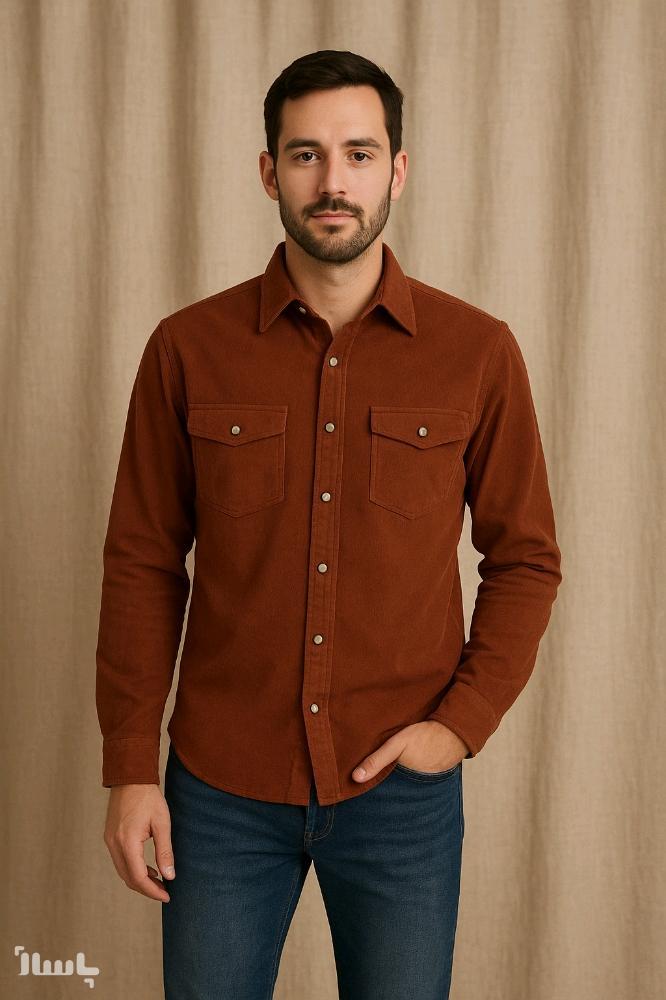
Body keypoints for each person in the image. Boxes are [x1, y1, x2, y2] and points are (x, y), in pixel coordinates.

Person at [96, 48, 562, 1000]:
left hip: (401, 798)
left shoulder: (478, 352)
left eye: (359, 153)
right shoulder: (187, 347)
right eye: (306, 155)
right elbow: (142, 562)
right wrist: (130, 768)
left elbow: (526, 559)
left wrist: (460, 726)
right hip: (219, 790)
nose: (333, 181)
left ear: (398, 170)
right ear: (270, 172)